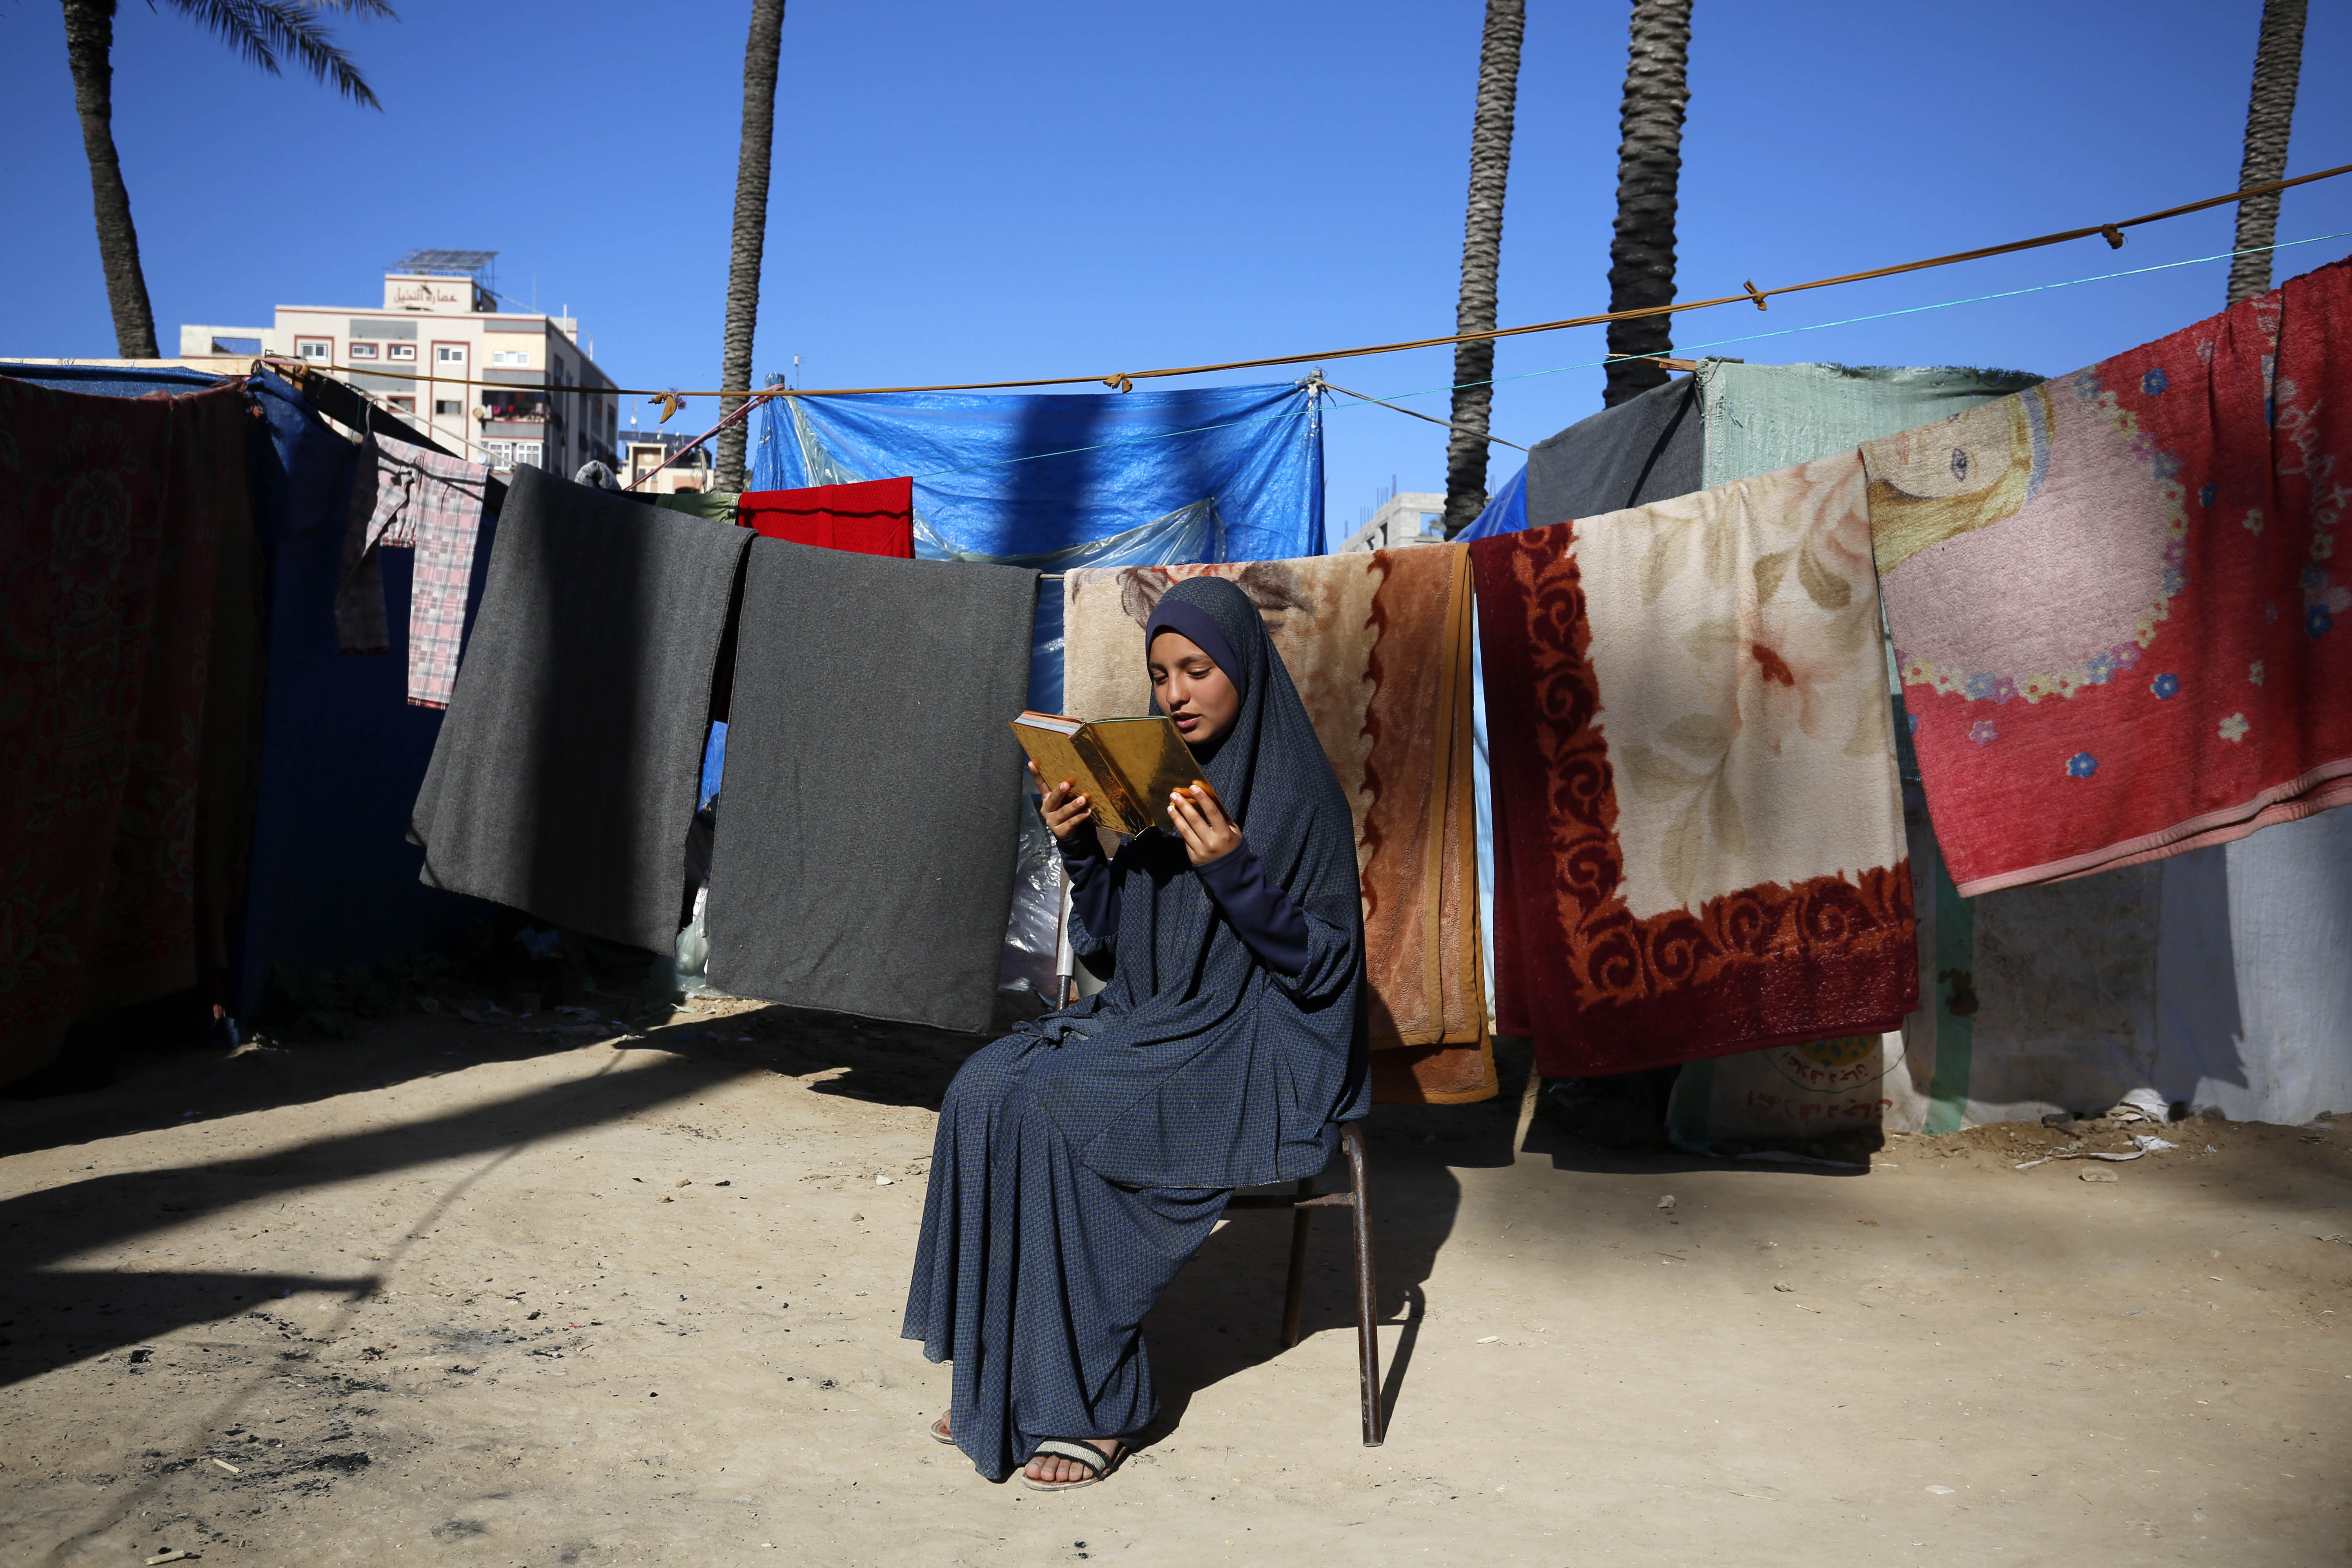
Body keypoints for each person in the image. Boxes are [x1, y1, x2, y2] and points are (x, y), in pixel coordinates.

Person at [902, 575, 1368, 1491]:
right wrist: (1079, 841)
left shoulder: (1299, 797)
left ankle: (1097, 1407)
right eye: (1161, 676)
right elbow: (1117, 947)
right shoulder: (1166, 780)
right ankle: (1005, 1377)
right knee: (984, 1091)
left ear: (1243, 668)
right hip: (1162, 1021)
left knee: (1057, 1115)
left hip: (1259, 1047)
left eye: (1197, 670)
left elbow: (1322, 970)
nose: (1177, 694)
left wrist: (1234, 868)